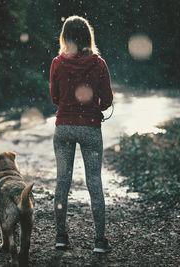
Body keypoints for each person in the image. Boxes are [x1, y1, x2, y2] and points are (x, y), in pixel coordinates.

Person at [49, 15, 113, 253]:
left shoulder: (57, 62)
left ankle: (61, 237)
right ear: (88, 37)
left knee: (62, 182)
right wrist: (94, 106)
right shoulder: (98, 64)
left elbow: (54, 97)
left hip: (63, 127)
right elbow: (107, 100)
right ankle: (99, 240)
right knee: (94, 183)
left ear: (65, 37)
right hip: (90, 129)